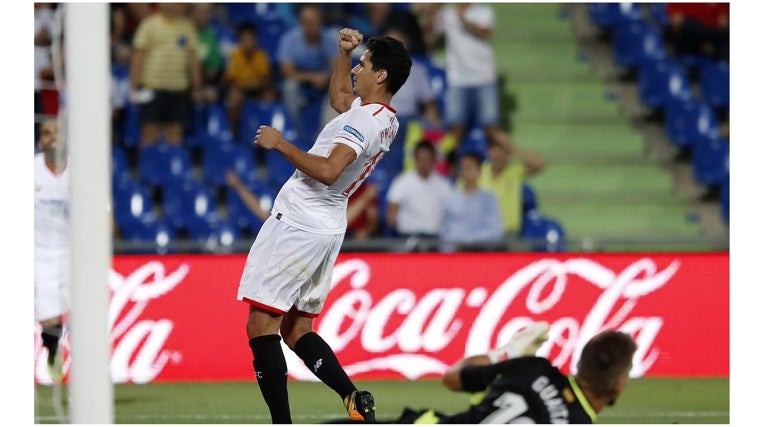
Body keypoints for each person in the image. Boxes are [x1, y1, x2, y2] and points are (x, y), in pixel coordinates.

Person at [235, 28, 411, 423]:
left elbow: (330, 170)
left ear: (381, 76)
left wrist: (280, 143)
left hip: (301, 221)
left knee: (260, 325)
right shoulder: (384, 119)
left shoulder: (364, 124)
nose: (355, 71)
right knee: (297, 328)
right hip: (327, 225)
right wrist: (343, 52)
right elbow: (338, 99)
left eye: (363, 65)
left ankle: (282, 422)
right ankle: (353, 399)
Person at [328, 323, 638, 424]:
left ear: (580, 362)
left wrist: (507, 354)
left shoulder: (533, 367)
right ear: (620, 384)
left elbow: (452, 377)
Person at [429, 3, 502, 153]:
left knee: (491, 128)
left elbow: (485, 32)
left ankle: (493, 168)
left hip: (484, 77)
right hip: (458, 79)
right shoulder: (447, 13)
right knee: (456, 129)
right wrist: (432, 12)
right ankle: (453, 168)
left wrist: (462, 19)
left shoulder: (483, 10)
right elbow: (430, 36)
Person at [129, 3, 203, 148]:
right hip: (151, 88)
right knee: (149, 131)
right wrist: (133, 86)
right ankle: (148, 167)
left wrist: (197, 87)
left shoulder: (187, 27)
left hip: (178, 89)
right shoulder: (149, 25)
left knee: (175, 132)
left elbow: (193, 60)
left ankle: (172, 166)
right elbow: (138, 57)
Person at [34, 118, 70, 382]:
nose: (52, 137)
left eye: (57, 132)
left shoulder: (83, 170)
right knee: (49, 318)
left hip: (76, 253)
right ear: (40, 141)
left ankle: (86, 371)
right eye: (47, 133)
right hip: (39, 254)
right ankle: (53, 353)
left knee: (86, 312)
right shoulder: (28, 170)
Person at [275, 4, 339, 139]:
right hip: (301, 86)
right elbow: (287, 73)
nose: (310, 26)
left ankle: (326, 137)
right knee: (289, 87)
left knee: (338, 89)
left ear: (320, 22)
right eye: (306, 22)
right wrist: (311, 77)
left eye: (314, 22)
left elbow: (338, 70)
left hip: (323, 85)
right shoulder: (289, 40)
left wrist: (326, 78)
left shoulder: (329, 40)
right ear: (300, 23)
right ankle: (293, 132)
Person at [479, 132, 545, 237]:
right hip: (483, 233)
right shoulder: (479, 172)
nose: (500, 154)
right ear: (488, 151)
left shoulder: (514, 171)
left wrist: (512, 147)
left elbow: (539, 164)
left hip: (509, 233)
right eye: (495, 149)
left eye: (504, 150)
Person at [385, 140, 452, 240]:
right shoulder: (402, 182)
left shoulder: (444, 185)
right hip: (408, 236)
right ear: (415, 159)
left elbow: (451, 214)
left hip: (435, 239)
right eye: (421, 159)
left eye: (427, 159)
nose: (423, 163)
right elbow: (391, 214)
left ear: (434, 160)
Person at [440, 152, 503, 252]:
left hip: (481, 252)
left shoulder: (489, 198)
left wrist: (467, 243)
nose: (466, 172)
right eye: (463, 168)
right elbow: (446, 232)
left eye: (470, 168)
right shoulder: (451, 199)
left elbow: (494, 232)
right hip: (456, 253)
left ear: (479, 171)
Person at [222, 21, 276, 137]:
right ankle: (233, 132)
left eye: (250, 39)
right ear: (240, 40)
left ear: (255, 40)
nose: (248, 43)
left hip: (258, 90)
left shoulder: (261, 56)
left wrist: (254, 84)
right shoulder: (234, 56)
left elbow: (265, 80)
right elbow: (231, 80)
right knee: (234, 98)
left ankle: (267, 133)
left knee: (269, 97)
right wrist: (247, 84)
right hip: (240, 89)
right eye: (244, 39)